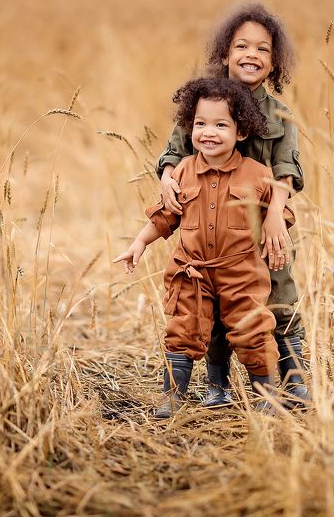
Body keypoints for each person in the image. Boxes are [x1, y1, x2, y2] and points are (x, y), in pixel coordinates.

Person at [155, 2, 310, 409]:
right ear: (225, 52)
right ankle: (218, 384)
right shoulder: (206, 101)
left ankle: (292, 379)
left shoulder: (280, 115)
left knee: (278, 290)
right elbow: (175, 150)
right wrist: (167, 178)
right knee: (211, 302)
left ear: (274, 62)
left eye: (262, 49)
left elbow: (285, 171)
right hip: (212, 223)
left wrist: (274, 216)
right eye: (242, 45)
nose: (251, 55)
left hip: (263, 220)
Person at [114, 76, 290, 417]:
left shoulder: (256, 175)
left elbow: (277, 218)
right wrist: (139, 243)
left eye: (220, 125)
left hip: (241, 272)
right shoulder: (182, 171)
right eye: (200, 124)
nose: (208, 132)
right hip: (190, 271)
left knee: (253, 328)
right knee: (183, 328)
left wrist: (276, 232)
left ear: (241, 132)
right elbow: (165, 216)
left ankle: (266, 396)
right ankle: (172, 396)